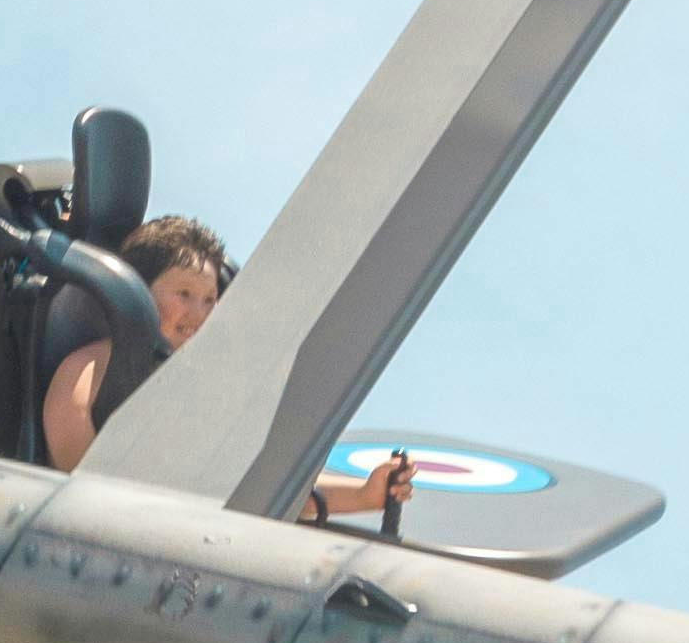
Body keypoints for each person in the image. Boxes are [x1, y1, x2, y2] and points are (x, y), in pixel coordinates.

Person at [34, 213, 424, 518]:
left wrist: (365, 495)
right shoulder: (88, 368)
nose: (199, 313)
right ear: (136, 291)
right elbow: (77, 477)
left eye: (209, 299)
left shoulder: (204, 392)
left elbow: (254, 488)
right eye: (184, 294)